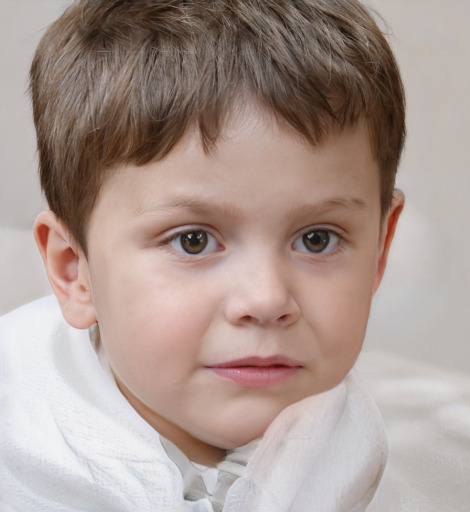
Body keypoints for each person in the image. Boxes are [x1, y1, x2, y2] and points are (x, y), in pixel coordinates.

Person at [0, 0, 416, 510]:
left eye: (317, 239)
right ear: (74, 271)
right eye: (192, 240)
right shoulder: (21, 464)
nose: (266, 300)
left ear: (379, 249)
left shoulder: (375, 451)